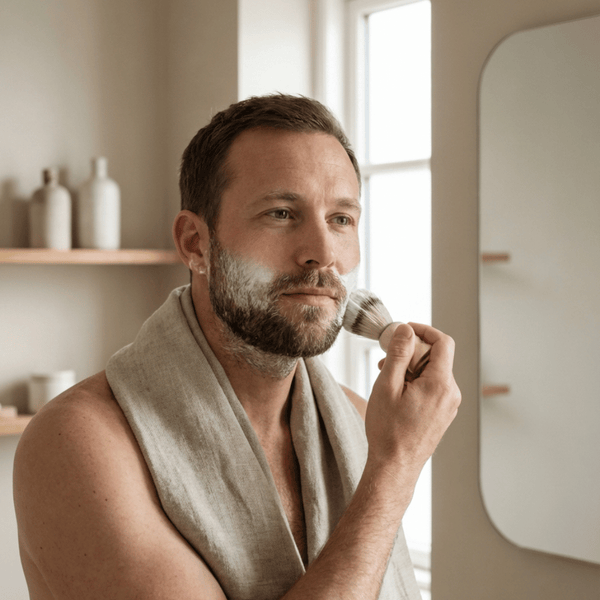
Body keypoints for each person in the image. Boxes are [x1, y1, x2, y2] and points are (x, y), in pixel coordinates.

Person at [13, 94, 460, 600]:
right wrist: (394, 469)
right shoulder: (83, 444)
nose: (322, 253)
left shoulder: (359, 423)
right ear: (195, 243)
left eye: (341, 219)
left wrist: (389, 456)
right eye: (281, 213)